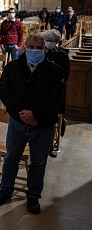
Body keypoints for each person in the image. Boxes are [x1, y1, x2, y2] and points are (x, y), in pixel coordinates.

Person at [0, 34, 65, 214]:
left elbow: (55, 98)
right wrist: (22, 113)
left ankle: (33, 195)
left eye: (39, 48)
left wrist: (35, 114)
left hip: (42, 124)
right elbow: (5, 91)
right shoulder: (13, 67)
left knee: (38, 163)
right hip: (18, 122)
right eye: (31, 47)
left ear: (44, 49)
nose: (35, 50)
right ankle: (6, 189)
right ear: (25, 47)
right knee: (11, 158)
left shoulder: (54, 70)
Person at [42, 29, 70, 158]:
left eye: (51, 41)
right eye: (47, 40)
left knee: (52, 121)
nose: (49, 43)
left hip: (56, 94)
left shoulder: (62, 55)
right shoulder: (41, 53)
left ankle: (49, 146)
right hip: (41, 92)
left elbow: (65, 75)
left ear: (57, 42)